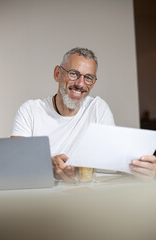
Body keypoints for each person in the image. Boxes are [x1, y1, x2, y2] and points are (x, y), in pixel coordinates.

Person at [12, 47, 156, 182]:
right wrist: (46, 164)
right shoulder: (30, 110)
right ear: (57, 74)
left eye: (88, 77)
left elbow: (114, 161)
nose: (81, 84)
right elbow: (13, 160)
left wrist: (143, 170)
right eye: (74, 73)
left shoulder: (98, 108)